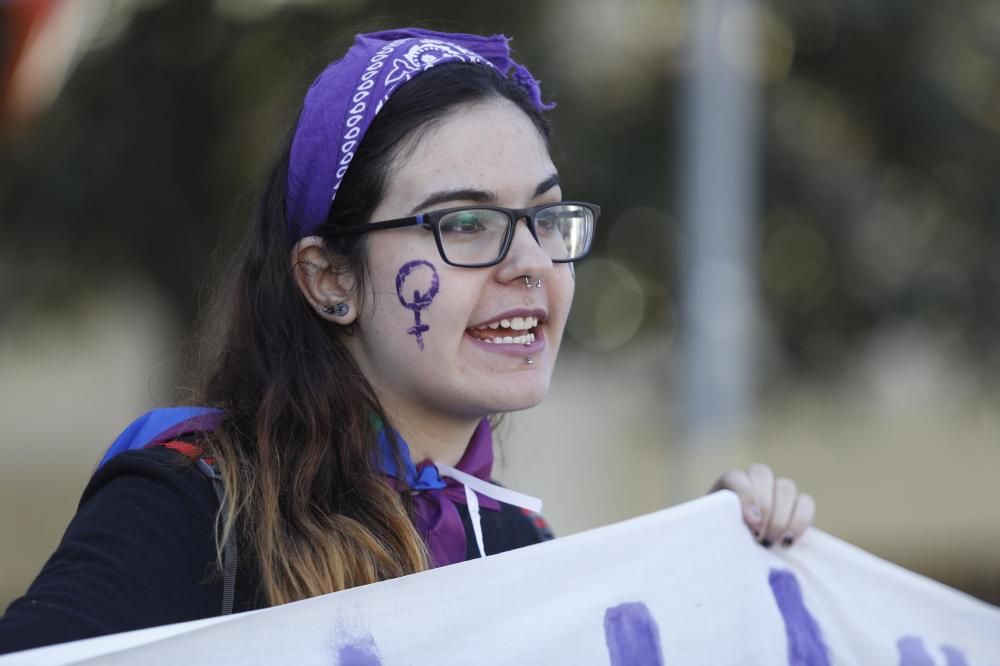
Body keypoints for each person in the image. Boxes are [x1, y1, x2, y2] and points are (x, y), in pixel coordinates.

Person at [0, 28, 815, 655]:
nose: (529, 263)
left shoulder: (518, 548)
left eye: (544, 217)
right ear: (329, 279)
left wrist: (714, 570)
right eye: (465, 222)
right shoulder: (193, 500)